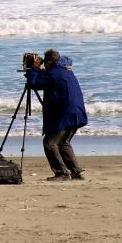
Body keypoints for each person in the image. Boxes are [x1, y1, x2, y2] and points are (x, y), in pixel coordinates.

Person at [25, 48, 88, 181]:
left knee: (50, 143)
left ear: (48, 62)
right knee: (63, 142)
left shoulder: (52, 73)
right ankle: (76, 172)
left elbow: (34, 83)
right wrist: (39, 70)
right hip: (77, 112)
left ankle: (62, 173)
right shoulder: (65, 70)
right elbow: (48, 79)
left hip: (64, 114)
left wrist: (34, 69)